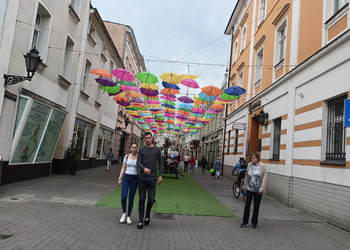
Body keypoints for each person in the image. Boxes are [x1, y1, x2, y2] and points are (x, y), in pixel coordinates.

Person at [137, 132, 163, 229]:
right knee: (142, 199)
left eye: (149, 138)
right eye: (146, 138)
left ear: (152, 138)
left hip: (152, 179)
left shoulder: (157, 149)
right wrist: (144, 169)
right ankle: (140, 220)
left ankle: (147, 215)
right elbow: (138, 162)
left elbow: (160, 163)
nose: (147, 139)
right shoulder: (142, 149)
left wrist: (160, 175)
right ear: (144, 139)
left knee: (151, 198)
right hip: (142, 178)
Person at [241, 153, 267, 229]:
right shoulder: (249, 165)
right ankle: (245, 222)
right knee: (247, 205)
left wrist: (261, 188)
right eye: (252, 158)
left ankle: (254, 222)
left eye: (254, 158)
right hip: (249, 188)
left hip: (258, 190)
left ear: (258, 159)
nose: (252, 160)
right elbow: (247, 175)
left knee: (256, 206)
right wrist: (244, 186)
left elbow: (265, 178)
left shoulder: (262, 166)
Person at [118, 143, 138, 225]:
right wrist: (120, 178)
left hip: (135, 178)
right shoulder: (126, 156)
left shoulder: (139, 157)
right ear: (130, 148)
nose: (134, 149)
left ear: (137, 148)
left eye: (136, 147)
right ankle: (124, 213)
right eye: (133, 147)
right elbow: (123, 167)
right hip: (126, 177)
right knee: (124, 196)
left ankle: (129, 216)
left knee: (131, 198)